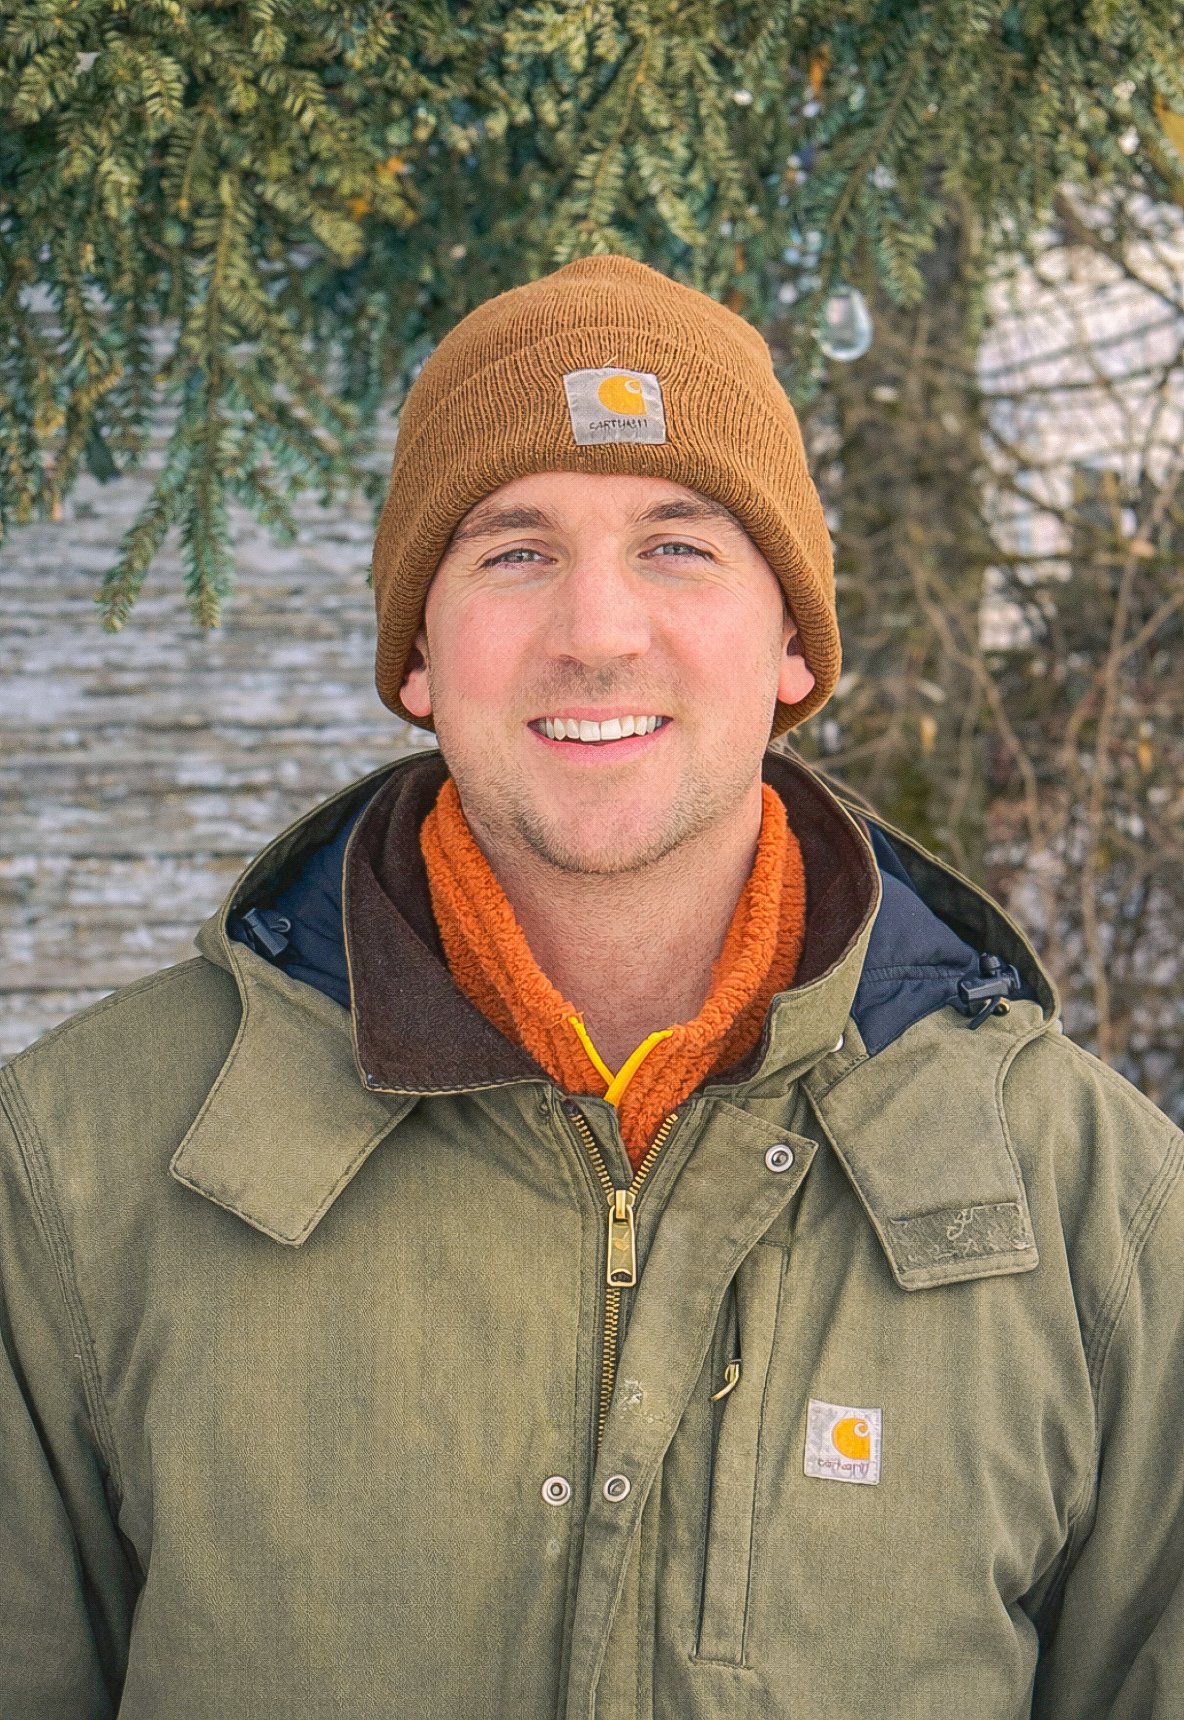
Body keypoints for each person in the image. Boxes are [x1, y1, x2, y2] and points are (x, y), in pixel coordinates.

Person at [1, 254, 1181, 1720]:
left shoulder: (1094, 1210)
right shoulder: (78, 1168)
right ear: (417, 654)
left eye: (679, 546)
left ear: (795, 642)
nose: (599, 630)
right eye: (515, 552)